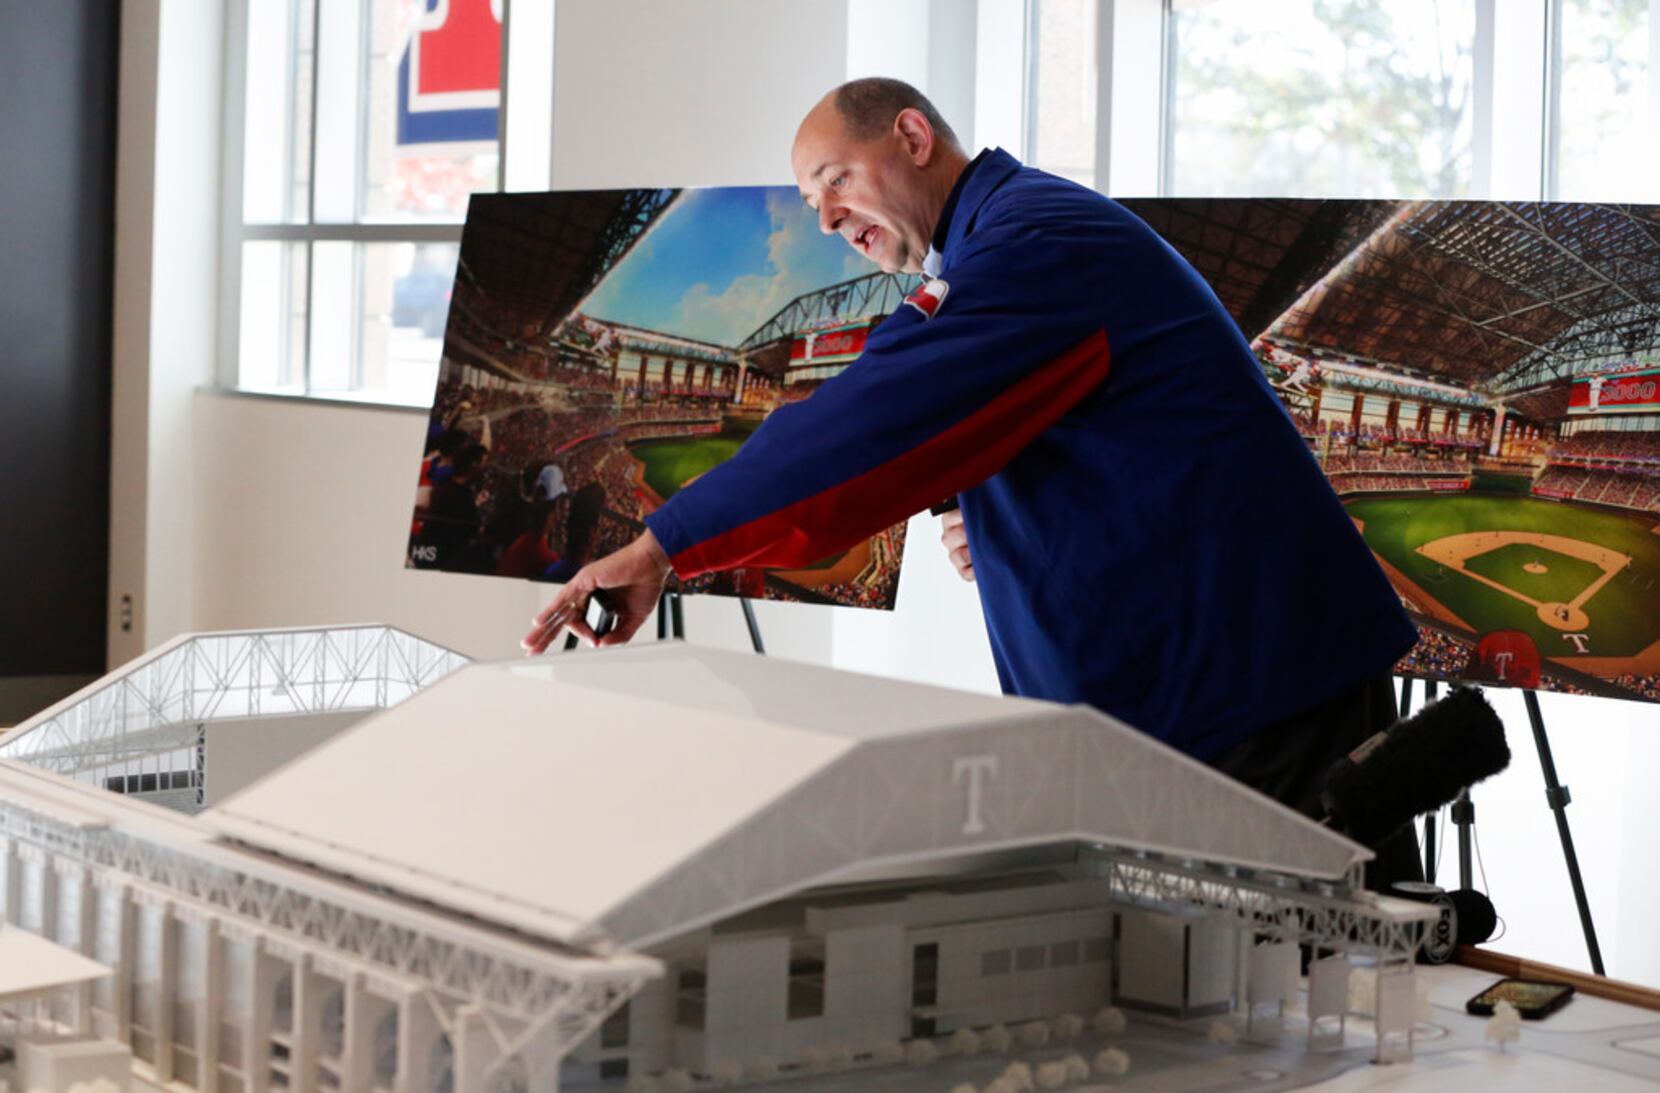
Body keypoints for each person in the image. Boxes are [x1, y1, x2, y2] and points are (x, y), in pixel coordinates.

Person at [521, 79, 1420, 881]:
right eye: (809, 201)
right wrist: (1005, 521)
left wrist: (662, 544)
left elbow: (867, 421)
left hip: (1258, 700)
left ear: (912, 136)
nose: (825, 219)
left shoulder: (1035, 240)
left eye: (835, 179)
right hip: (1220, 697)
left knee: (1310, 1014)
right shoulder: (1009, 235)